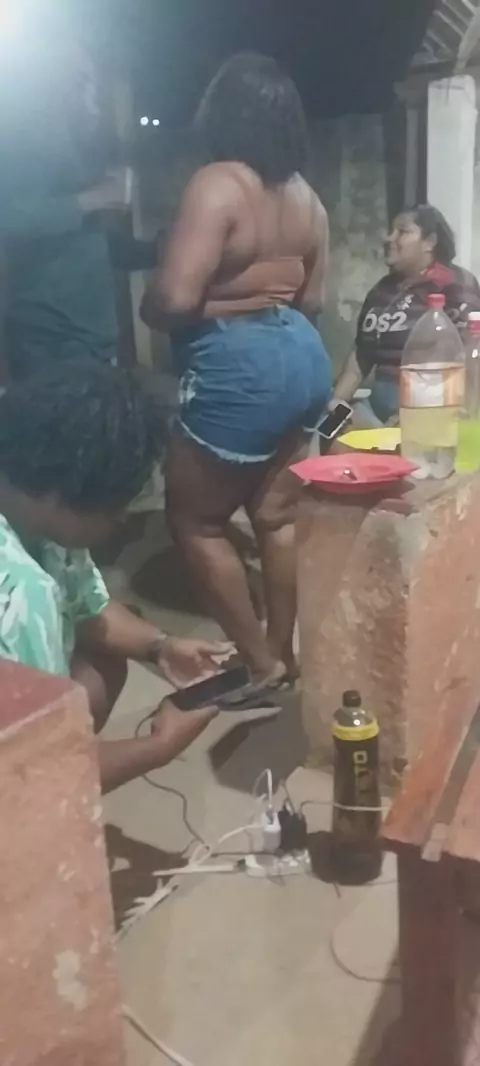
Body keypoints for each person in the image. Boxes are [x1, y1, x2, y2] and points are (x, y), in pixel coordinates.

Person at [141, 53, 331, 692]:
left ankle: (260, 665)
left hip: (239, 363)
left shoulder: (218, 183)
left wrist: (152, 303)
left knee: (194, 521)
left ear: (221, 115)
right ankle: (283, 650)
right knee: (275, 518)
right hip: (302, 356)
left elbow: (174, 298)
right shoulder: (308, 199)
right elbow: (311, 300)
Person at [0, 362, 223, 793]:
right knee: (37, 777)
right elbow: (35, 773)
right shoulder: (20, 595)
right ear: (66, 491)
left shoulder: (35, 505)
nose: (122, 519)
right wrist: (158, 747)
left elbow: (89, 607)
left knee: (103, 655)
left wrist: (161, 646)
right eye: (119, 504)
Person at [0, 33, 156, 380]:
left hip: (93, 339)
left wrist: (154, 250)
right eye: (85, 82)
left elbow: (92, 243)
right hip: (50, 339)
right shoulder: (22, 143)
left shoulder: (74, 152)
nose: (94, 95)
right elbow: (10, 219)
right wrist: (95, 198)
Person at [330, 204, 480, 426]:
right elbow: (362, 354)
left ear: (429, 242)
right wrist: (337, 401)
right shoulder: (382, 290)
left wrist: (429, 414)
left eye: (402, 231)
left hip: (430, 406)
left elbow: (471, 353)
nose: (389, 238)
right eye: (391, 230)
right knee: (328, 429)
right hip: (376, 407)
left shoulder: (454, 284)